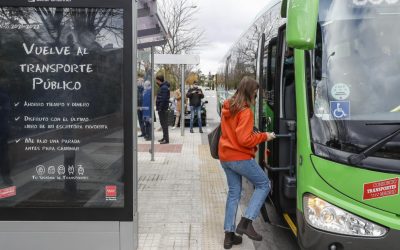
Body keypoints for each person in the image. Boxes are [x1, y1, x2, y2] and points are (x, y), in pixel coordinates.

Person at [218, 76, 276, 249]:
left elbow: (232, 132)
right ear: (250, 91)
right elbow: (244, 139)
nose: (256, 96)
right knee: (264, 184)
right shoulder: (245, 111)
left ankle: (229, 236)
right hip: (239, 157)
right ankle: (246, 222)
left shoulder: (228, 106)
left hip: (225, 156)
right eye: (256, 93)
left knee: (234, 192)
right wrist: (265, 136)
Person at [155, 75, 170, 144]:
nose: (156, 82)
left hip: (163, 109)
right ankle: (164, 137)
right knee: (163, 124)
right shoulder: (163, 87)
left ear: (158, 80)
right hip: (162, 109)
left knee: (164, 124)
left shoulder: (164, 88)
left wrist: (160, 108)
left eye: (156, 80)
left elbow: (164, 99)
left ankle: (166, 140)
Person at [137, 73, 145, 137]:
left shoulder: (144, 89)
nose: (137, 82)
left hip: (142, 107)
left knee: (143, 120)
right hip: (139, 106)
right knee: (140, 120)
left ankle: (145, 133)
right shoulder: (137, 89)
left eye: (138, 81)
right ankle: (143, 132)